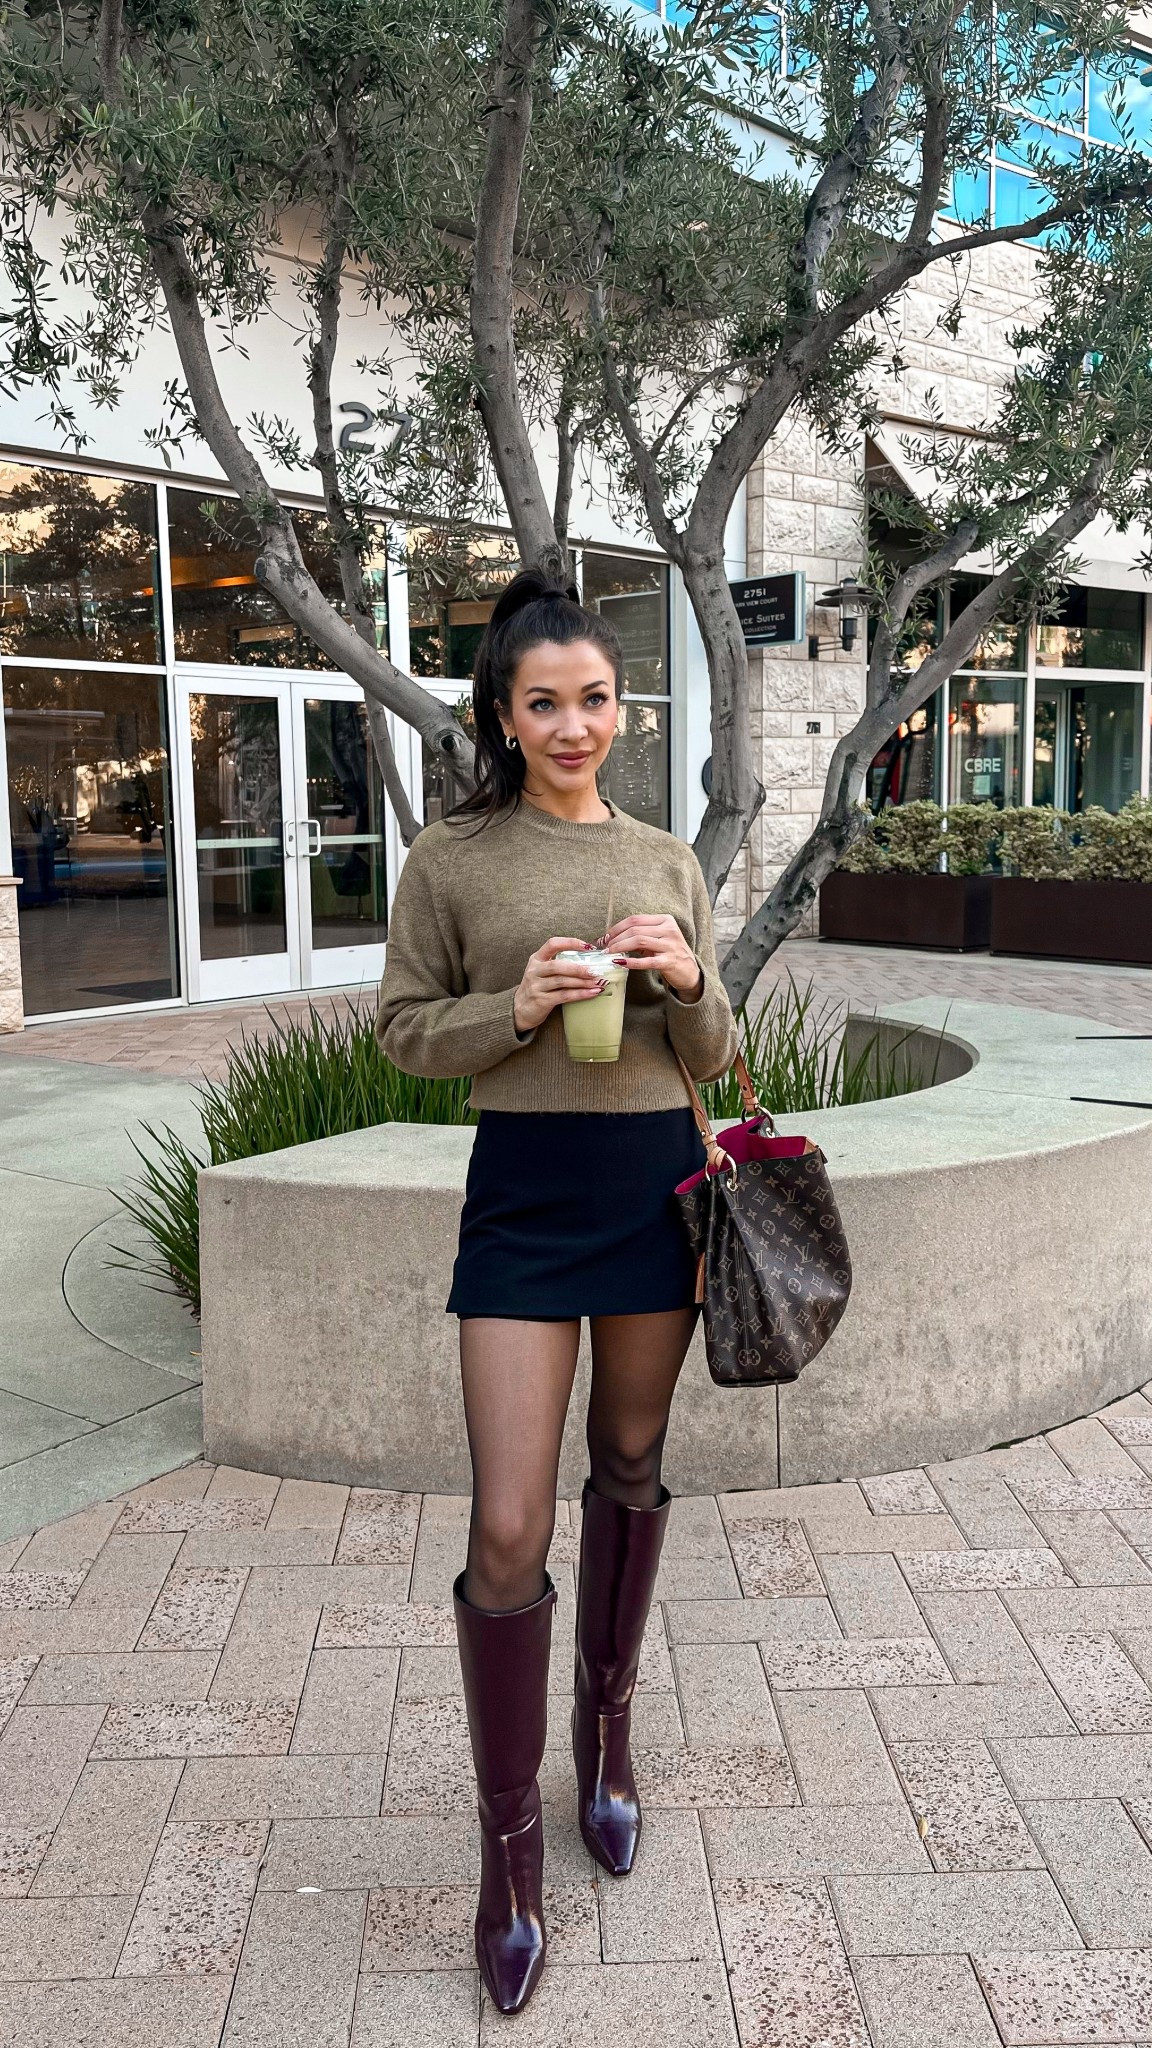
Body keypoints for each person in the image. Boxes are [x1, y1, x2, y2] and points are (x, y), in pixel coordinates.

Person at [376, 568, 737, 2014]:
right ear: (504, 717)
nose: (576, 723)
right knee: (512, 1524)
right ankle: (509, 1853)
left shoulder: (663, 856)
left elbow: (711, 1056)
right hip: (522, 1200)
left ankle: (610, 1732)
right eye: (546, 704)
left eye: (596, 699)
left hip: (656, 1183)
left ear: (618, 708)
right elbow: (405, 1033)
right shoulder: (454, 863)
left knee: (632, 1464)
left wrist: (687, 970)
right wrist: (514, 1007)